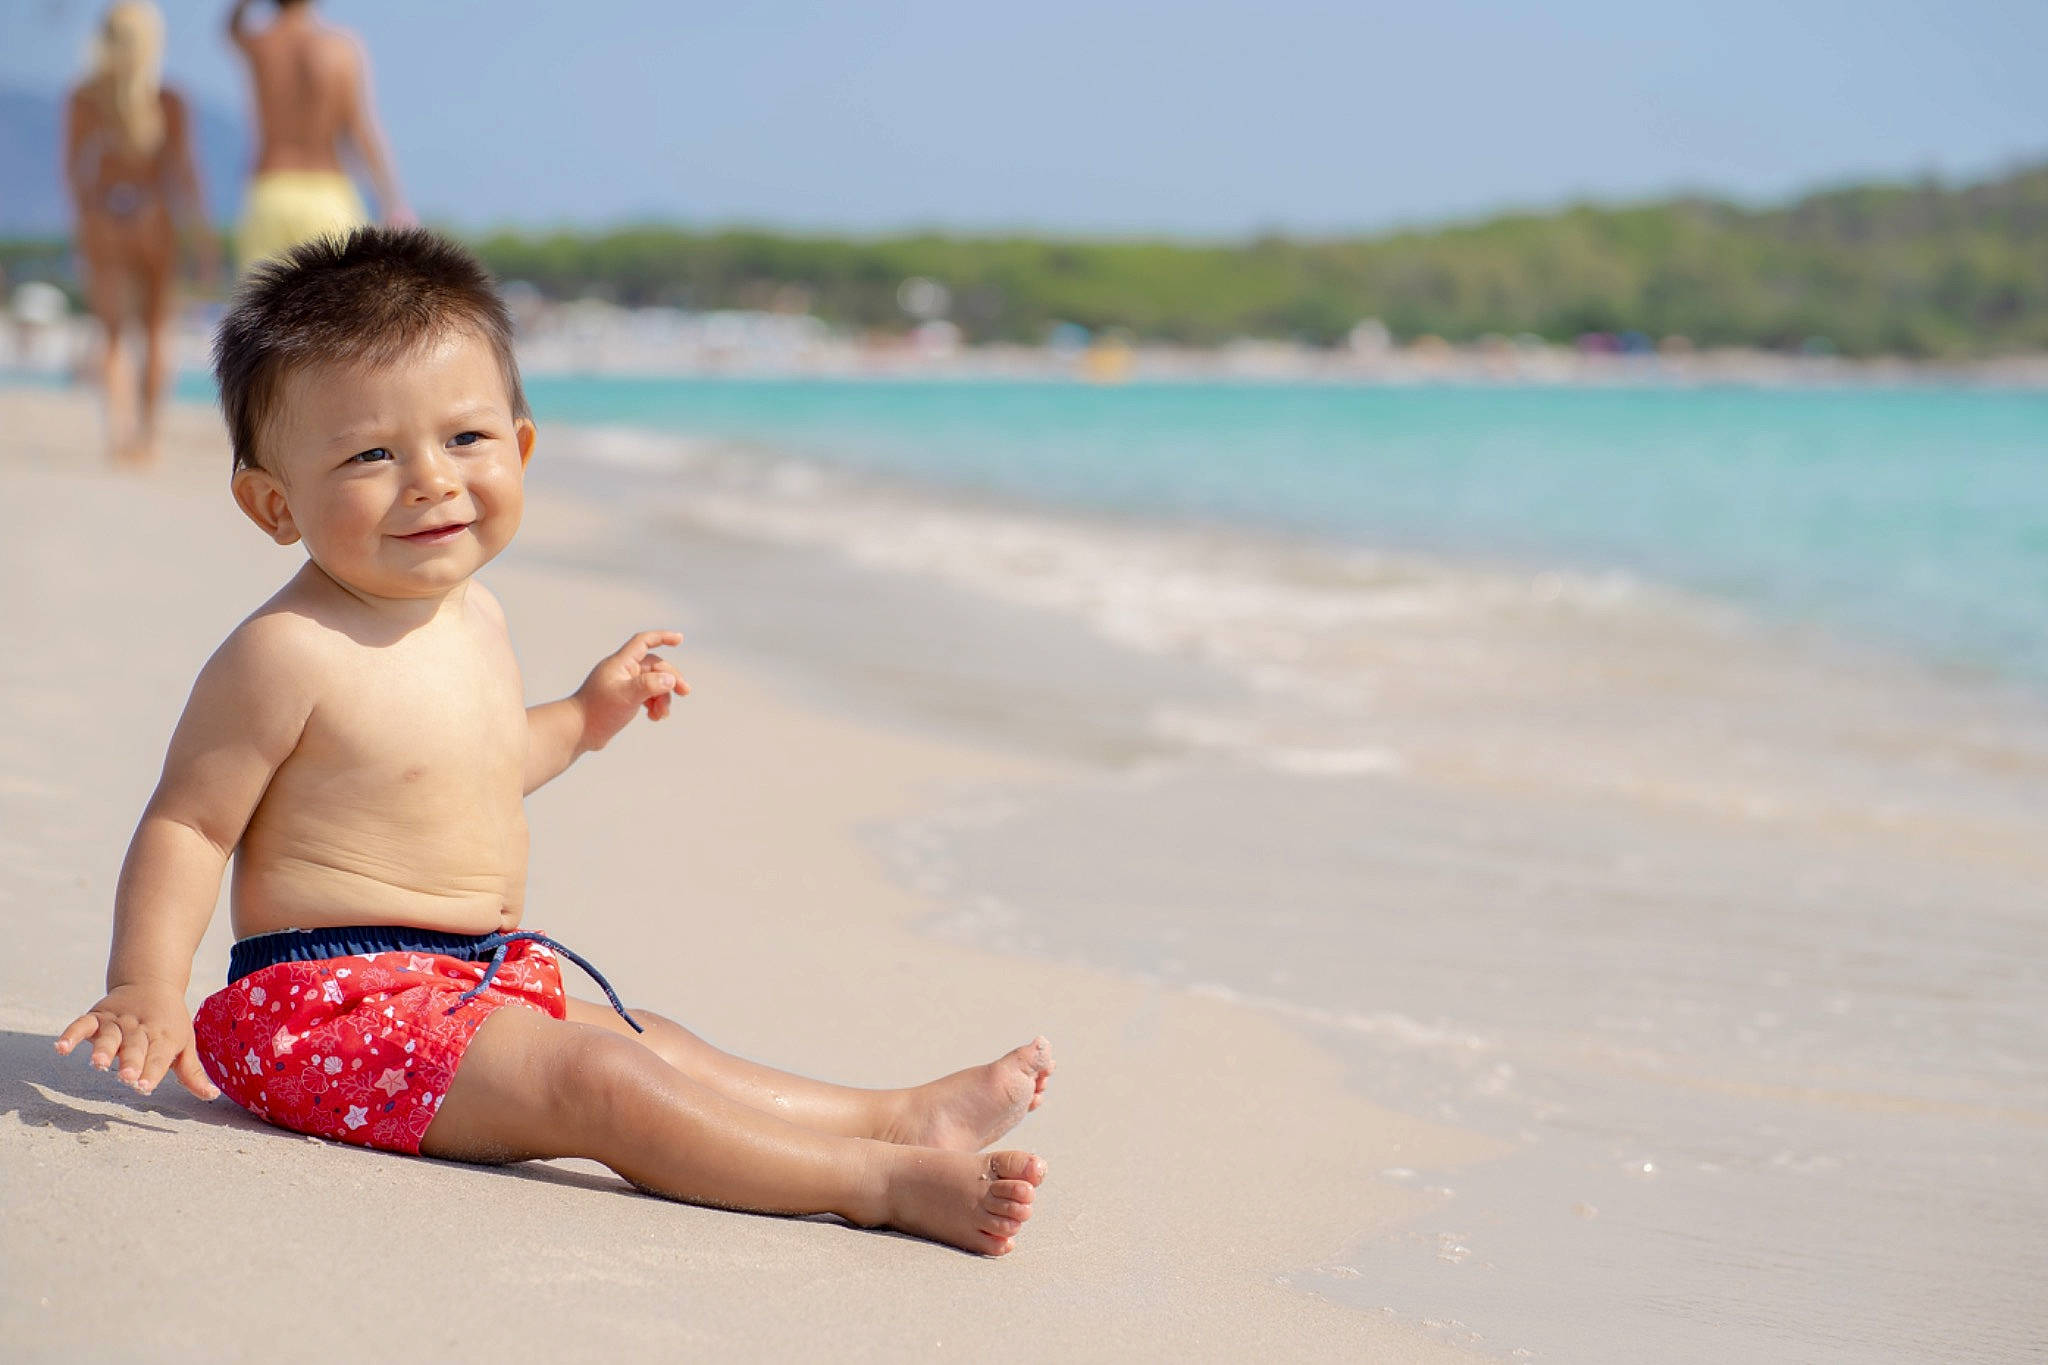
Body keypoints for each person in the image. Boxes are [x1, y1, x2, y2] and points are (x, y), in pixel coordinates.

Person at [53, 227, 1052, 1257]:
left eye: (465, 440)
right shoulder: (284, 652)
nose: (431, 480)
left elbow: (472, 775)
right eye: (369, 454)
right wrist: (147, 984)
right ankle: (875, 1183)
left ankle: (889, 1117)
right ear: (273, 503)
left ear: (521, 447)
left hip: (474, 980)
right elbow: (188, 822)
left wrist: (582, 718)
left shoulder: (474, 616)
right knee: (601, 1082)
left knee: (648, 1041)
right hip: (322, 1011)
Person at [64, 1, 214, 467]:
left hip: (107, 215)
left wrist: (87, 219)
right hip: (155, 217)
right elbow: (184, 175)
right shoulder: (168, 99)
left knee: (112, 336)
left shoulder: (84, 98)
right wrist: (202, 236)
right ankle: (148, 439)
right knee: (155, 332)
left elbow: (73, 171)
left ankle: (119, 436)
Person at [226, 0, 412, 272]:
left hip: (271, 189)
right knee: (341, 309)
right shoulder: (340, 48)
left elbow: (231, 28)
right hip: (327, 191)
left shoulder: (261, 44)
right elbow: (361, 128)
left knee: (262, 310)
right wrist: (392, 200)